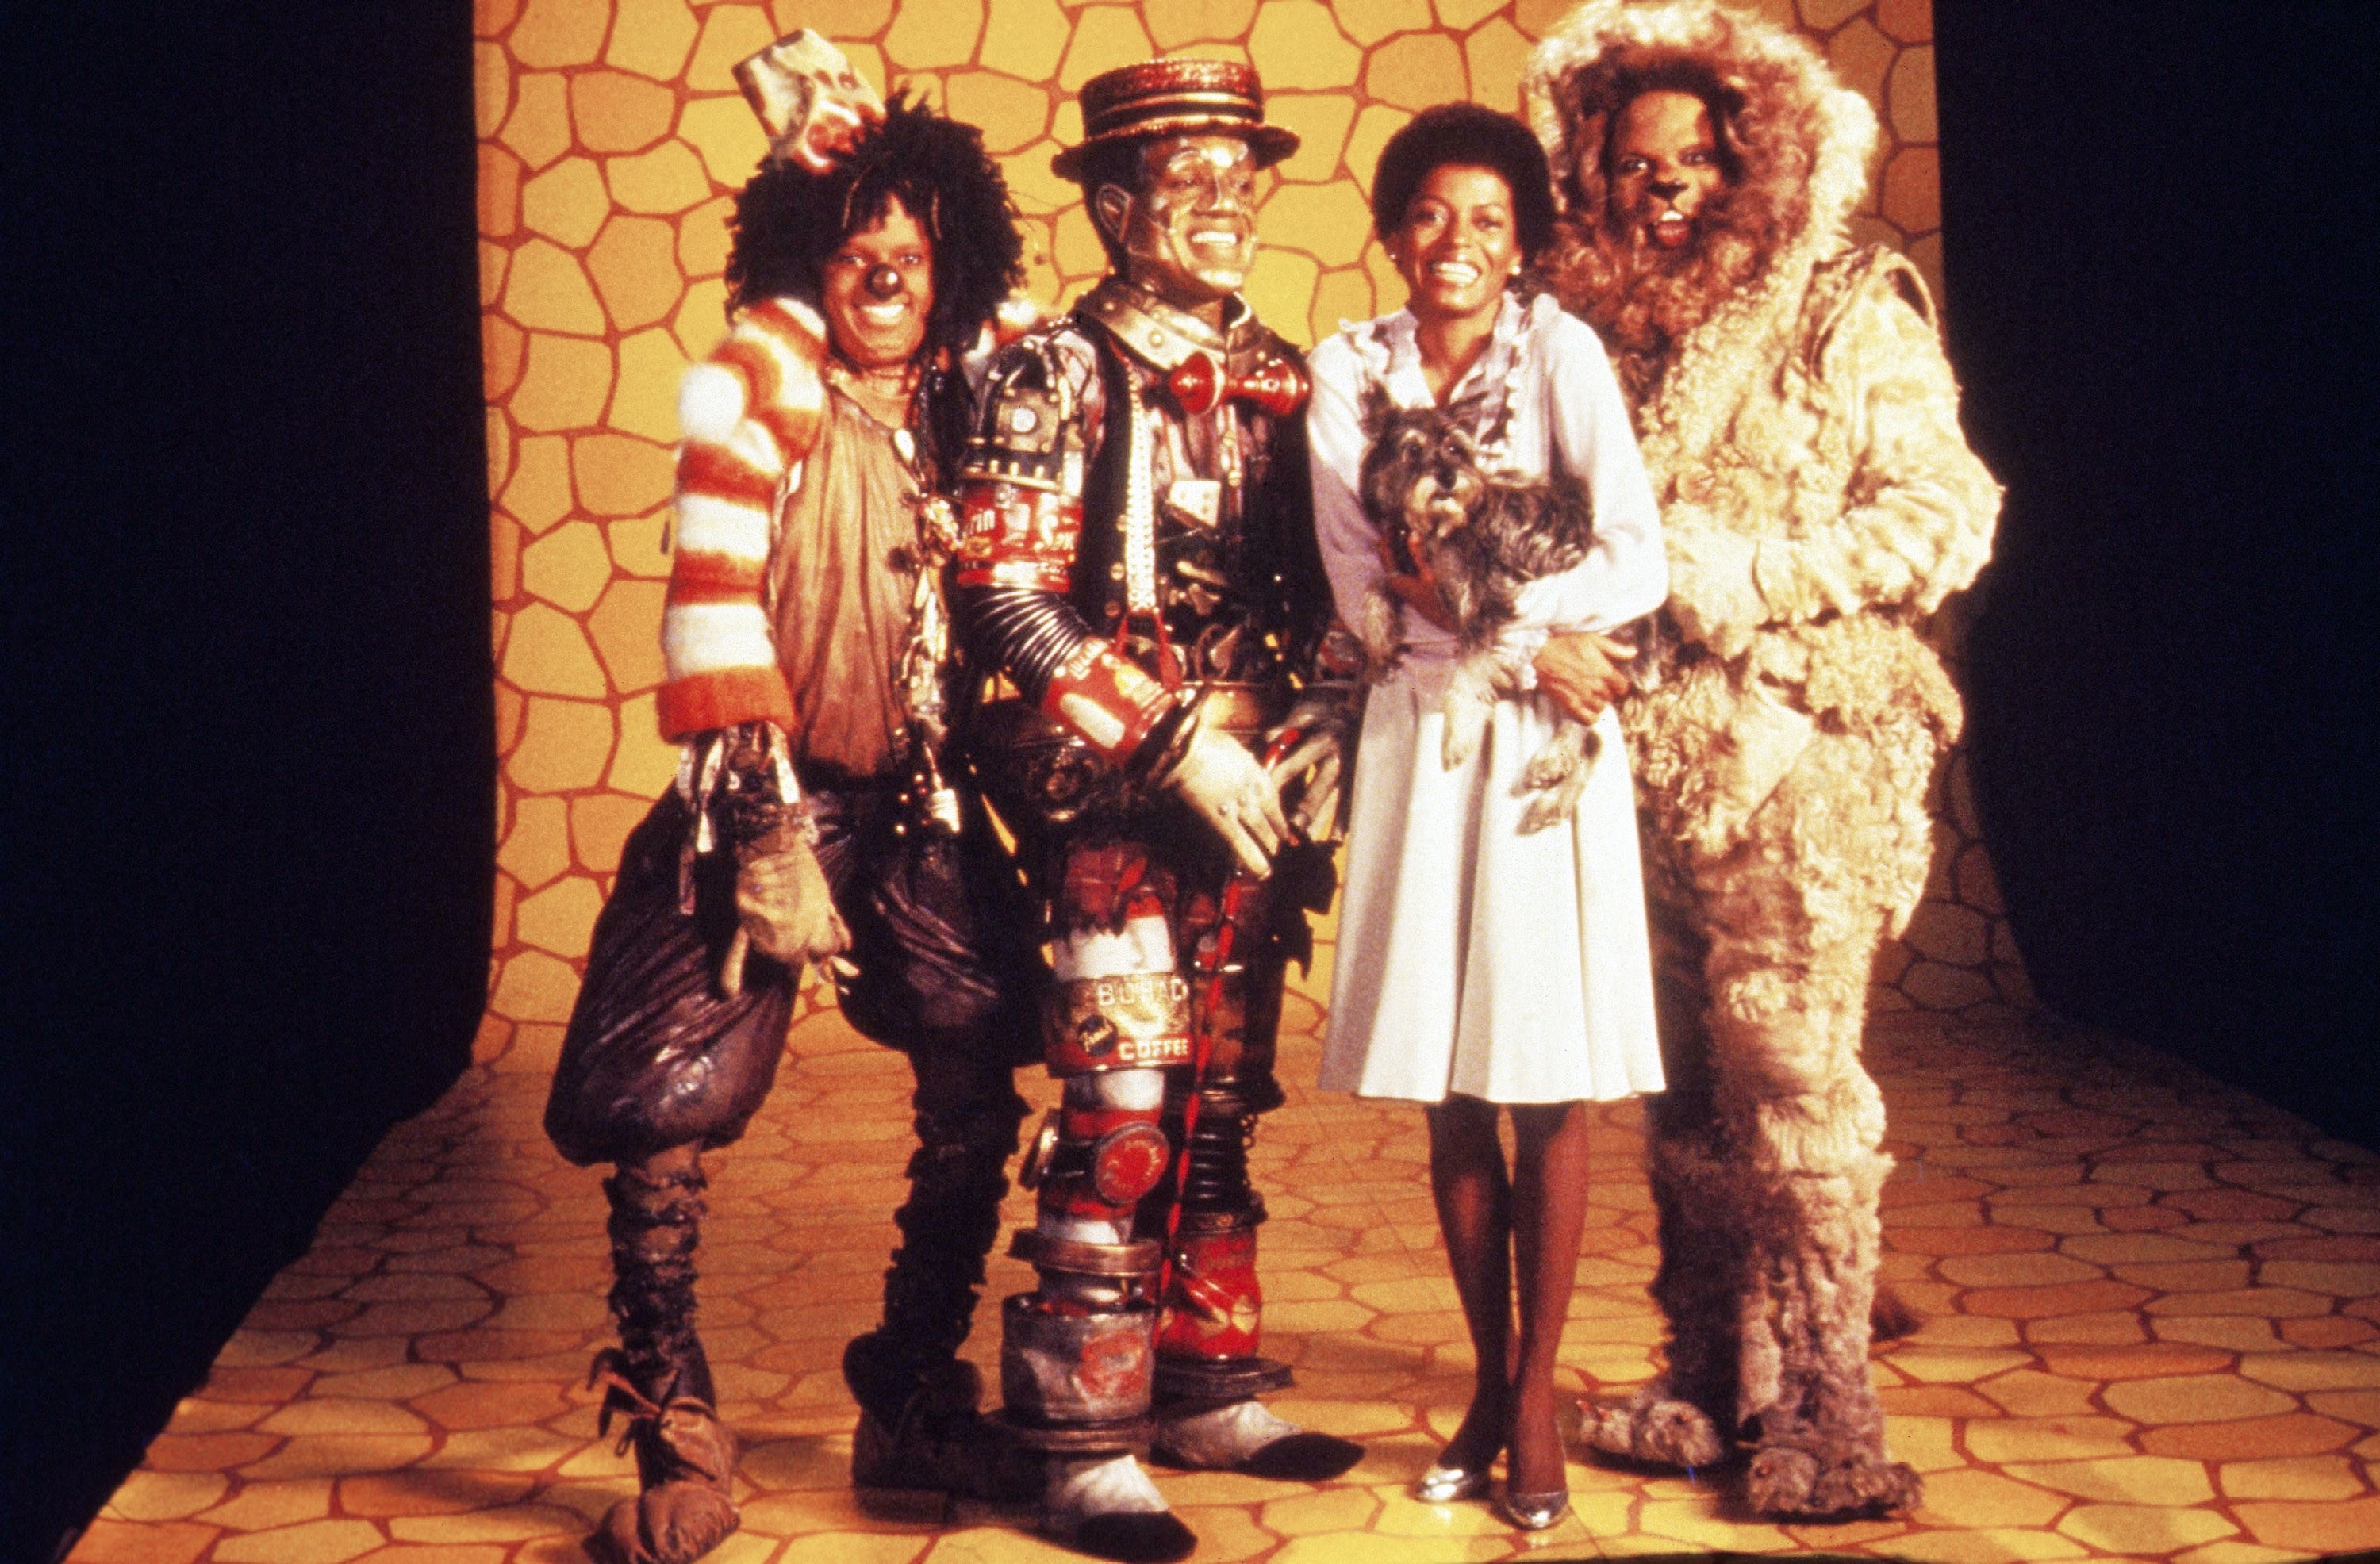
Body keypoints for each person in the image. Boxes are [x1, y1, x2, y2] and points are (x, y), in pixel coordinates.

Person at [540, 34, 1041, 1564]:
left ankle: (910, 1390)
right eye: (853, 240)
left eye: (914, 241)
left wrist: (875, 142)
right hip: (762, 794)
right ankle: (673, 1420)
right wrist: (762, 830)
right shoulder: (761, 376)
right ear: (806, 257)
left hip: (918, 804)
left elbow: (1042, 332)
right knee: (659, 1110)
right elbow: (707, 602)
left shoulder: (973, 391)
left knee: (980, 1059)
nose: (884, 264)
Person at [1522, 0, 2000, 1519]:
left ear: (1754, 162)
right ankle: (1709, 1380)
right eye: (1631, 163)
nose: (1661, 188)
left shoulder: (1847, 303)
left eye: (1692, 161)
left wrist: (1759, 573)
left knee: (1790, 1076)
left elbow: (1948, 512)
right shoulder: (1589, 332)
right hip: (1641, 760)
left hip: (1802, 745)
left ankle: (1830, 1414)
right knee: (1680, 1089)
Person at [951, 57, 1365, 1564]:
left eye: (1241, 178)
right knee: (1121, 1110)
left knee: (1225, 1101)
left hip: (1257, 804)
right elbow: (1000, 596)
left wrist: (1327, 720)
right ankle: (1083, 1438)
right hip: (1116, 800)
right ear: (1117, 210)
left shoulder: (1289, 374)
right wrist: (1170, 738)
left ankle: (1203, 1387)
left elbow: (1336, 585)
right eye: (1191, 180)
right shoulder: (1049, 375)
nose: (1228, 204)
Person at [1305, 102, 1668, 1532]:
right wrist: (1519, 632)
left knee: (1543, 1073)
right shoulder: (1350, 371)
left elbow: (1634, 553)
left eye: (1489, 222)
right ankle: (1484, 1374)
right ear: (1394, 231)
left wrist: (1507, 630)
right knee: (1452, 1080)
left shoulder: (1561, 352)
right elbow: (1359, 578)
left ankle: (1533, 1400)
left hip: (1539, 745)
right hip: (1425, 732)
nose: (1457, 243)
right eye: (1431, 217)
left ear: (1522, 245)